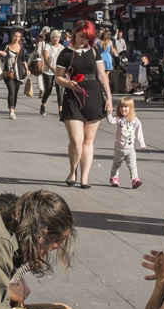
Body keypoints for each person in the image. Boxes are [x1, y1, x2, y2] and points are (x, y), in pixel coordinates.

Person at [55, 21, 113, 187]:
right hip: (73, 97)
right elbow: (58, 77)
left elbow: (102, 76)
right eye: (81, 37)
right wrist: (68, 83)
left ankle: (84, 177)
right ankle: (73, 171)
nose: (83, 41)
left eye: (87, 38)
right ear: (75, 34)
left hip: (93, 97)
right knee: (76, 138)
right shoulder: (65, 53)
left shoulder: (94, 52)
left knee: (88, 140)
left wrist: (109, 98)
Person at [106, 97, 147, 189]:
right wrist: (109, 112)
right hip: (119, 148)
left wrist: (142, 143)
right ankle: (113, 178)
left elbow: (139, 132)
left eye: (126, 107)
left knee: (132, 165)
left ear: (131, 108)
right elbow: (110, 121)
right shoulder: (119, 119)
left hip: (131, 148)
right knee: (116, 164)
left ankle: (135, 180)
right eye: (121, 107)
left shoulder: (135, 121)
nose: (123, 109)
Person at [0, 30, 29, 119]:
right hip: (8, 72)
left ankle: (13, 108)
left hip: (19, 73)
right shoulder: (6, 46)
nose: (16, 38)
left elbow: (23, 60)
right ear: (12, 36)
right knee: (12, 91)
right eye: (15, 36)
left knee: (15, 92)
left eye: (18, 37)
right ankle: (11, 111)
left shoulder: (21, 48)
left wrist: (27, 69)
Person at [37, 28, 66, 116]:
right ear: (51, 37)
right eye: (54, 37)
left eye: (58, 37)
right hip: (48, 71)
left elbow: (64, 59)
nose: (56, 39)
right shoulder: (47, 46)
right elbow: (45, 59)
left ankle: (60, 109)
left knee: (59, 91)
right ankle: (43, 104)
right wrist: (51, 67)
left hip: (59, 72)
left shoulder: (62, 47)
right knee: (48, 90)